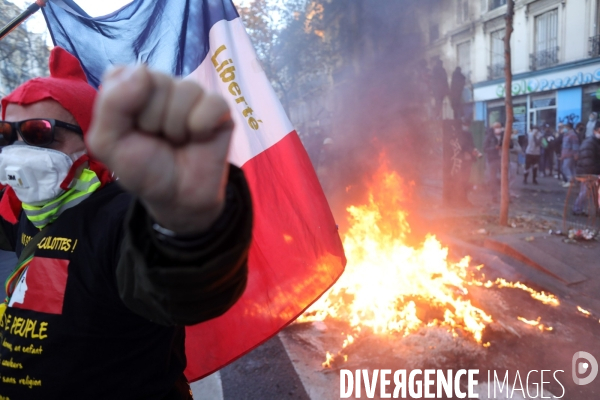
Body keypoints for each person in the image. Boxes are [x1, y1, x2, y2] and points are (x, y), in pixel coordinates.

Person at [0, 47, 252, 398]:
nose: (16, 150)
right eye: (5, 135)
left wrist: (186, 217)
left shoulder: (121, 216)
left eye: (39, 132)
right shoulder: (25, 211)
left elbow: (175, 286)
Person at [572, 120, 600, 216]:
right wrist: (593, 173)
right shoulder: (590, 143)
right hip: (587, 172)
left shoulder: (596, 142)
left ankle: (597, 209)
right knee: (585, 192)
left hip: (593, 171)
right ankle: (577, 209)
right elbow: (587, 160)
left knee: (594, 193)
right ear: (595, 131)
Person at [560, 123, 580, 187]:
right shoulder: (566, 135)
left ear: (568, 127)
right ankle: (573, 181)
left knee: (565, 167)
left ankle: (570, 181)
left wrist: (576, 154)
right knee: (571, 168)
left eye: (565, 127)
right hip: (566, 154)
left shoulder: (572, 135)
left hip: (570, 155)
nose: (564, 129)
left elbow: (575, 146)